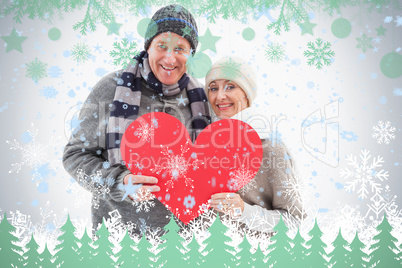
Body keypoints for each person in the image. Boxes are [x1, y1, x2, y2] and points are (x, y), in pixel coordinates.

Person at [63, 4, 210, 235]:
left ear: (191, 54)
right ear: (148, 46)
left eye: (180, 48)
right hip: (120, 243)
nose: (170, 58)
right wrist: (120, 182)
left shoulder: (200, 98)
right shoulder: (112, 89)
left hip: (185, 245)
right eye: (162, 46)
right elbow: (74, 156)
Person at [204, 56, 304, 232]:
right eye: (213, 88)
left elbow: (294, 221)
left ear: (246, 93)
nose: (220, 96)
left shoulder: (271, 149)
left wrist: (244, 211)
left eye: (230, 86)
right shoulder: (202, 146)